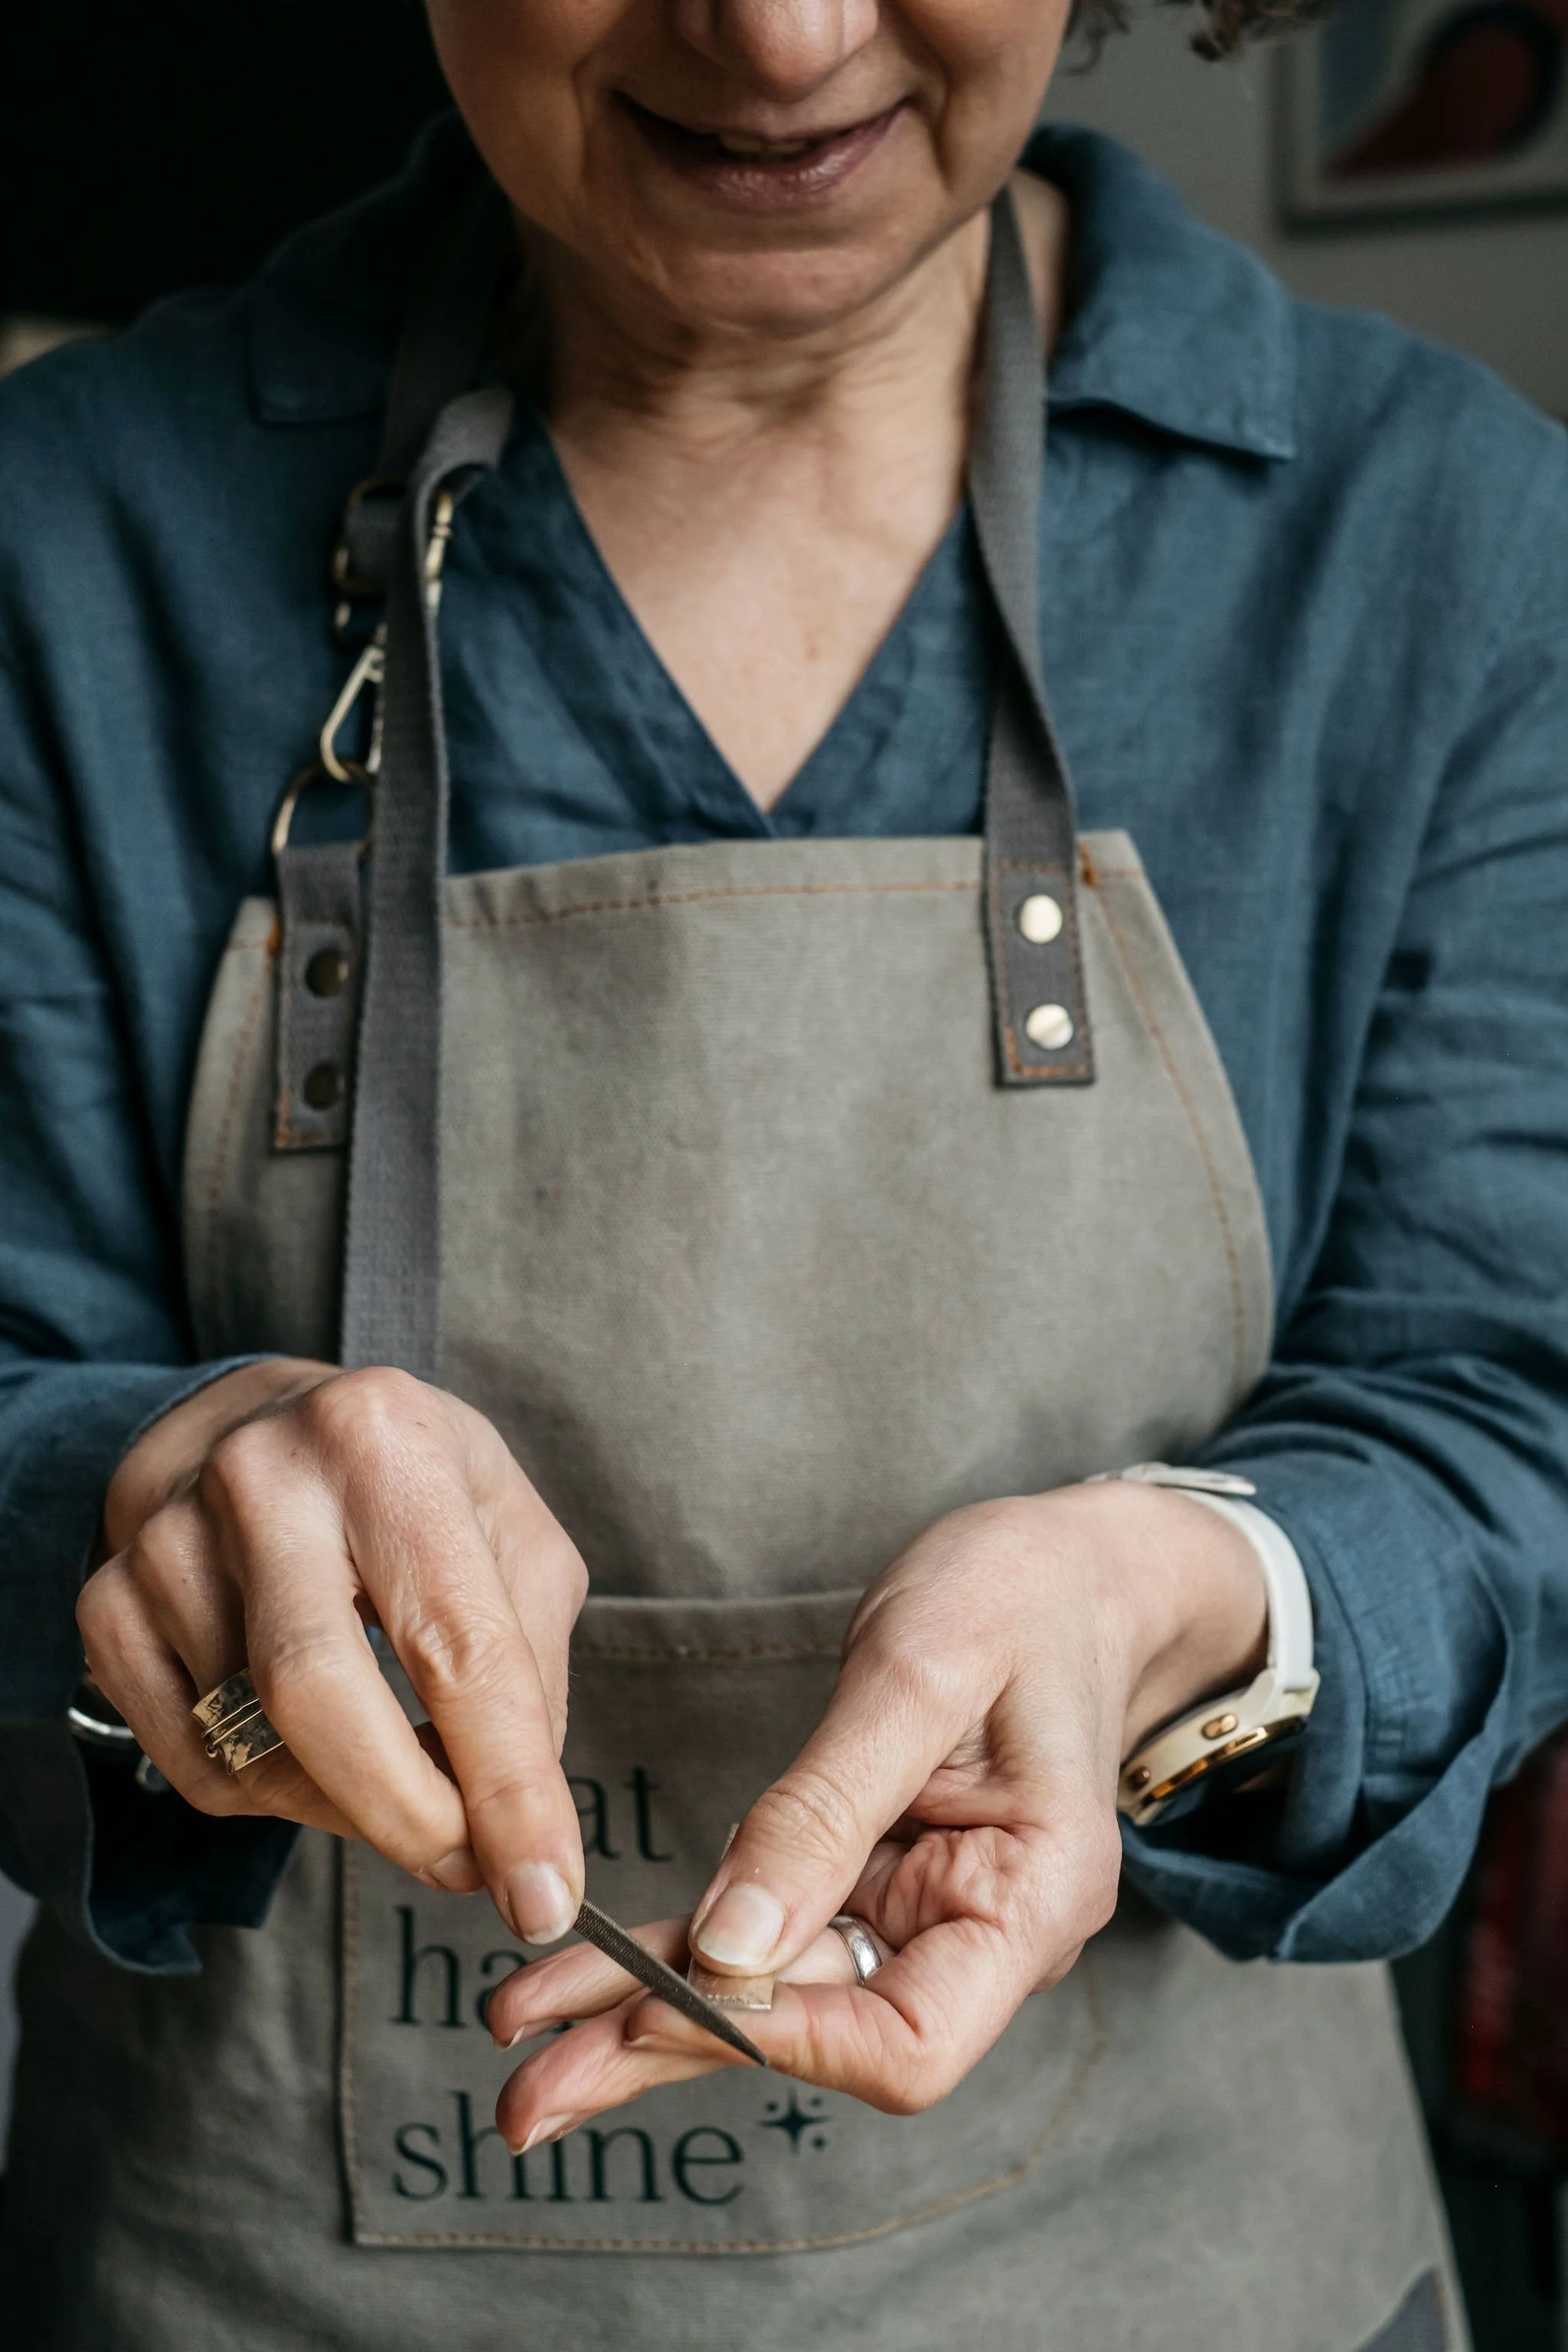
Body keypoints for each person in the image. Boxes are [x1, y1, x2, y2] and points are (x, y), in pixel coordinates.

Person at [1, 2, 1565, 2346]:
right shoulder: (68, 531)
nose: (784, 31)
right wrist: (166, 1484)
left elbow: (1511, 1405)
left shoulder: (1431, 525)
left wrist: (1188, 1593)